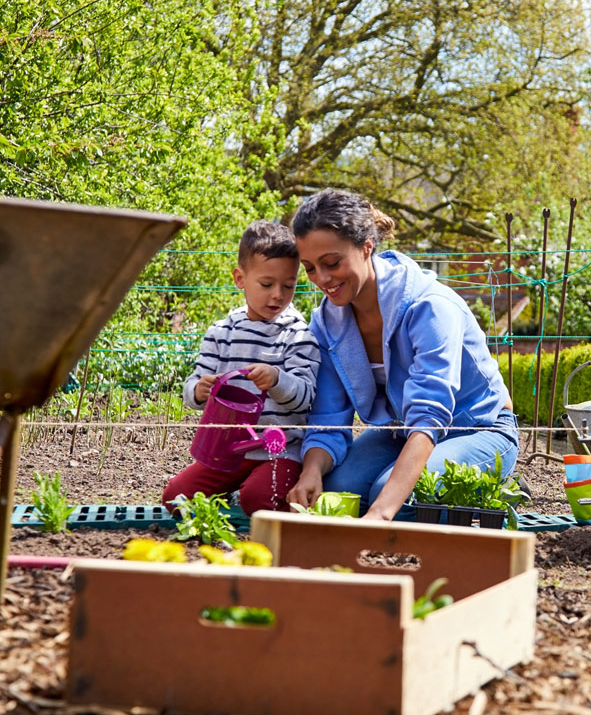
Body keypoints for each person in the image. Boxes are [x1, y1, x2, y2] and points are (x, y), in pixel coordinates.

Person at [285, 189, 519, 520]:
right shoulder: (328, 322)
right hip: (399, 434)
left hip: (479, 430)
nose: (322, 279)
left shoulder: (430, 307)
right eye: (309, 268)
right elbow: (328, 416)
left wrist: (381, 513)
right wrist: (311, 471)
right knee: (337, 491)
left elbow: (429, 415)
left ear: (367, 246)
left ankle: (489, 485)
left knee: (391, 498)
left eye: (332, 263)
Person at [162, 220, 319, 513]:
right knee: (176, 497)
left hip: (278, 452)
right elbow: (192, 388)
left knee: (259, 501)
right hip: (226, 450)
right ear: (240, 279)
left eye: (289, 285)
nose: (278, 295)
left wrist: (277, 379)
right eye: (266, 284)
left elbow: (305, 396)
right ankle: (234, 488)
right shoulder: (222, 333)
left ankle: (247, 491)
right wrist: (199, 390)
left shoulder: (298, 335)